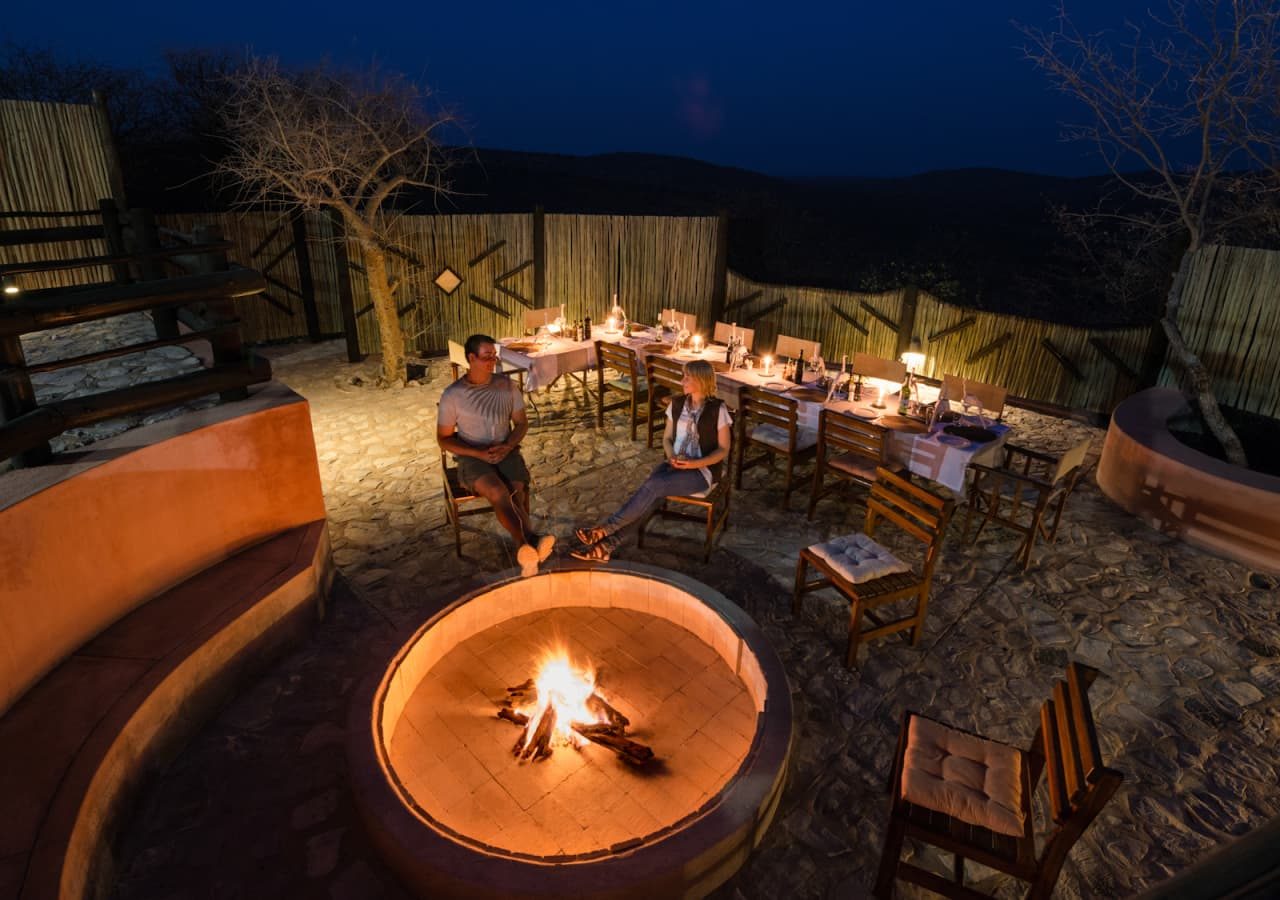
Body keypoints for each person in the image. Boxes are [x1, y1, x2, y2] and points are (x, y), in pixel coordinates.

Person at [572, 360, 731, 561]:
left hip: (702, 472)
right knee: (651, 497)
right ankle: (606, 548)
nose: (682, 381)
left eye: (687, 378)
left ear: (701, 381)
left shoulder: (718, 409)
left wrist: (694, 464)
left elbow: (724, 449)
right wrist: (671, 455)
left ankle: (605, 529)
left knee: (654, 486)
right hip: (675, 465)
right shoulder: (676, 404)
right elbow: (666, 438)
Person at [437, 334, 553, 575]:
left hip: (505, 449)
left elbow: (521, 423)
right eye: (486, 356)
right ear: (471, 358)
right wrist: (476, 453)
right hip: (471, 454)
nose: (493, 361)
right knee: (498, 491)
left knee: (515, 490)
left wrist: (509, 445)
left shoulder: (507, 386)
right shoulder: (453, 395)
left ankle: (526, 552)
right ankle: (527, 542)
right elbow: (443, 438)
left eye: (494, 356)